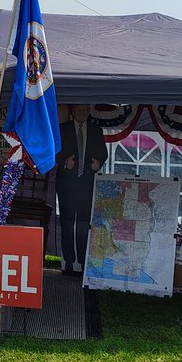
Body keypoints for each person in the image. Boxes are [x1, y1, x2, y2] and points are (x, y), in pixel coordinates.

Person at [54, 104, 107, 275]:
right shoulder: (62, 130)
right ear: (72, 112)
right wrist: (63, 163)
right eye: (78, 110)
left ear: (89, 111)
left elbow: (103, 153)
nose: (81, 113)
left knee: (85, 225)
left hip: (87, 185)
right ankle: (68, 263)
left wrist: (99, 163)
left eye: (84, 110)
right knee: (67, 224)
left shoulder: (96, 131)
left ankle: (84, 263)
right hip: (67, 186)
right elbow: (53, 151)